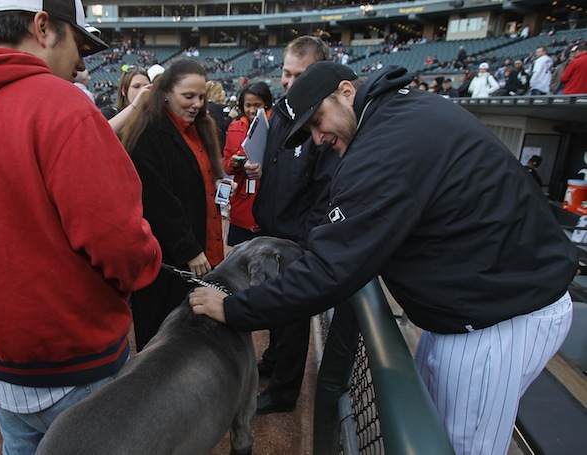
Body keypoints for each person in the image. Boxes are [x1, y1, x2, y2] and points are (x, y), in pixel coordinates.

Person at [188, 62, 576, 455]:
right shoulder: (396, 114)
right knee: (438, 434)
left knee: (462, 448)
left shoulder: (387, 142)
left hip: (498, 317)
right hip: (485, 301)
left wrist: (237, 309)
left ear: (346, 92)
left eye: (318, 121)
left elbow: (330, 268)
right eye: (309, 131)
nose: (318, 138)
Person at [0, 1, 162, 453]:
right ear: (43, 27)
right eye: (78, 43)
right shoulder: (61, 105)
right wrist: (145, 267)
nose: (81, 62)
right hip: (70, 361)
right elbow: (121, 243)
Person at [249, 36, 339, 416]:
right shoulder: (282, 111)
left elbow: (324, 191)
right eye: (286, 72)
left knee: (293, 317)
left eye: (298, 75)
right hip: (271, 229)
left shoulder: (323, 120)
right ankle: (271, 360)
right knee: (275, 313)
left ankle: (284, 392)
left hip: (296, 240)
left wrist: (304, 241)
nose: (288, 81)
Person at [121, 58, 225, 351]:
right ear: (165, 92)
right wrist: (189, 248)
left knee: (191, 335)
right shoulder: (150, 132)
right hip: (168, 261)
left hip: (199, 248)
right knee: (163, 339)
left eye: (201, 96)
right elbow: (157, 199)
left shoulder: (200, 127)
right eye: (188, 96)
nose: (197, 103)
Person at [222, 82, 273, 246]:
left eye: (257, 105)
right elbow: (227, 164)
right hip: (241, 203)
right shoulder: (235, 127)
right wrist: (238, 163)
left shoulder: (275, 126)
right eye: (248, 105)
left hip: (266, 199)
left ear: (266, 104)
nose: (251, 110)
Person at [107, 67, 151, 132]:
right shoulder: (110, 113)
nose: (143, 90)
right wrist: (134, 105)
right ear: (124, 91)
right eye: (136, 86)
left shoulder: (154, 115)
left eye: (146, 86)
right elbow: (103, 132)